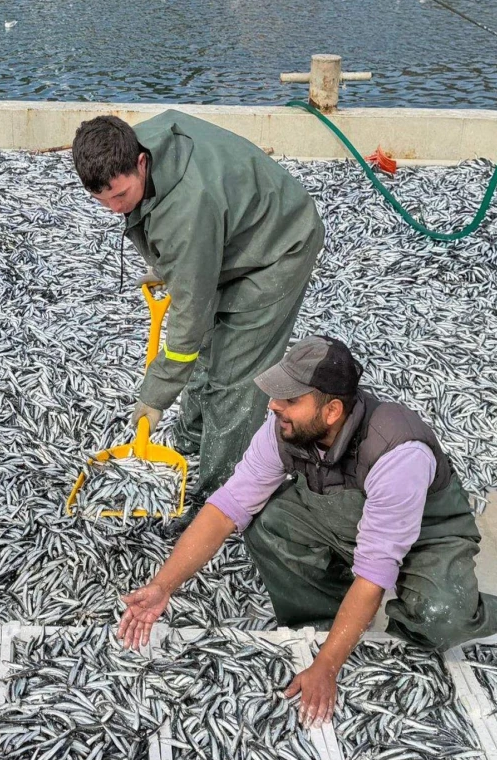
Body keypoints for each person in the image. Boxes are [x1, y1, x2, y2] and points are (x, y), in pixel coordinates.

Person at [117, 335, 497, 726]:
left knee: (441, 615)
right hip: (349, 518)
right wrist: (162, 586)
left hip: (428, 532)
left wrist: (326, 667)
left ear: (332, 410)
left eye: (289, 400)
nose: (273, 406)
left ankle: (468, 603)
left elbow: (374, 573)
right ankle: (324, 616)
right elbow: (226, 509)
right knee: (269, 523)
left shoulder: (396, 452)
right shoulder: (285, 430)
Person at [71, 110, 325, 517]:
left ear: (140, 161)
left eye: (120, 197)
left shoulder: (188, 208)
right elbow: (186, 255)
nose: (115, 210)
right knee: (205, 352)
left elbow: (190, 312)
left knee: (235, 377)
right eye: (103, 201)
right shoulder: (133, 143)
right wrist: (171, 262)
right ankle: (190, 443)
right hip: (229, 233)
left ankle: (222, 497)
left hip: (279, 246)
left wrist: (154, 396)